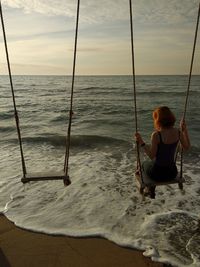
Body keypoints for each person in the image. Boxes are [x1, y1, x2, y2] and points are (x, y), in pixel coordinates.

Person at [135, 106, 190, 198]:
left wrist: (141, 142)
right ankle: (151, 190)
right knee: (153, 164)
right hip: (172, 173)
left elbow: (152, 156)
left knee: (144, 164)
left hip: (157, 174)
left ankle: (150, 189)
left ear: (158, 120)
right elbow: (187, 147)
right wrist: (185, 130)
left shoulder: (156, 135)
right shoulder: (178, 132)